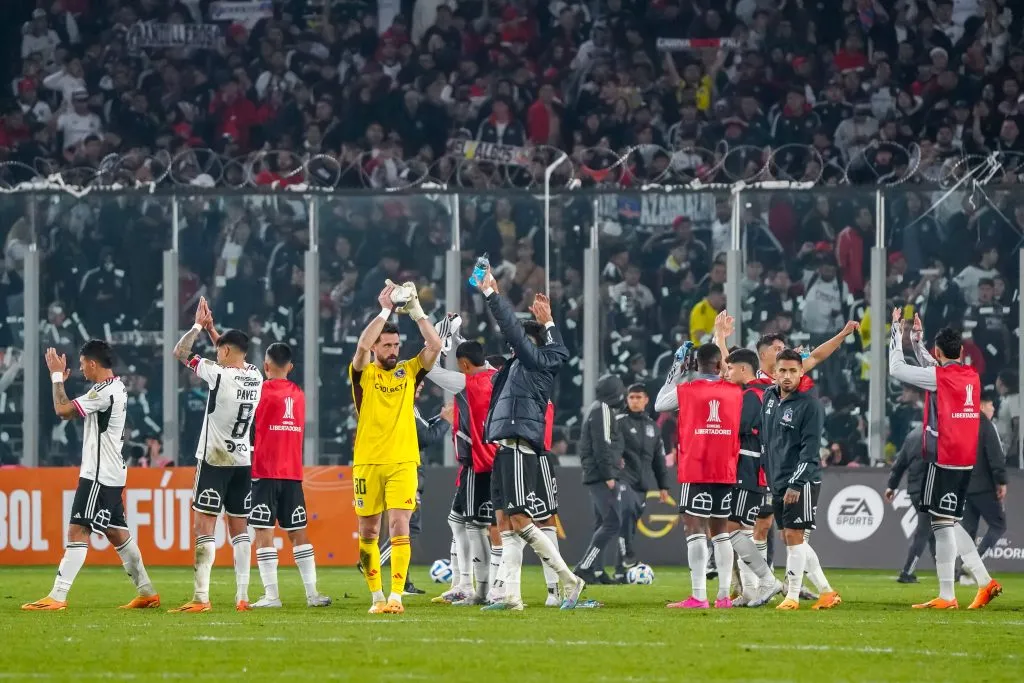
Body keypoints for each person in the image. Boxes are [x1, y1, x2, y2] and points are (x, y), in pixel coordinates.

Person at [475, 269, 586, 612]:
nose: (512, 345)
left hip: (520, 448)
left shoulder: (535, 364)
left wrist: (493, 294)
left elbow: (517, 332)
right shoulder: (521, 366)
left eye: (520, 342)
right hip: (503, 448)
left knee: (521, 521)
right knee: (506, 524)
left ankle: (569, 579)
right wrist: (550, 322)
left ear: (531, 346)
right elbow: (560, 350)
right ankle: (511, 596)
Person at [22, 341, 159, 611]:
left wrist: (56, 377)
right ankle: (147, 592)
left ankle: (57, 596)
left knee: (78, 528)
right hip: (112, 472)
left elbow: (62, 411)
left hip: (98, 475)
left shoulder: (104, 392)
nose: (81, 368)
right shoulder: (115, 387)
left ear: (93, 363)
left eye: (83, 363)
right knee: (116, 532)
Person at [888, 308, 1002, 609]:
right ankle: (972, 584)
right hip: (965, 460)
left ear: (939, 351)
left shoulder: (941, 377)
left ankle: (956, 592)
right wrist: (919, 340)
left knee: (942, 523)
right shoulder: (969, 375)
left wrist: (896, 332)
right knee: (946, 522)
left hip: (947, 459)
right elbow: (936, 368)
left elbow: (897, 369)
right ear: (962, 351)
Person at [349, 280, 442, 614]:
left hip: (403, 461)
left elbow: (435, 344)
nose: (392, 350)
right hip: (368, 462)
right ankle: (376, 596)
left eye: (395, 344)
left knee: (400, 526)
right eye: (386, 345)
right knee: (368, 530)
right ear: (376, 348)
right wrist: (386, 309)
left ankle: (396, 597)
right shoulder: (363, 375)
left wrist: (415, 310)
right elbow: (360, 347)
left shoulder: (409, 371)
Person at [169, 297, 264, 613]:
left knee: (204, 528)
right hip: (242, 460)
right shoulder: (255, 376)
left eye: (219, 350)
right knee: (239, 530)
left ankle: (201, 598)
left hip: (214, 460)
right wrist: (214, 332)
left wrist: (198, 325)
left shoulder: (217, 373)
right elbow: (229, 354)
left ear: (223, 353)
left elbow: (180, 353)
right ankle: (242, 597)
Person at [655, 343, 741, 609]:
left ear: (696, 364)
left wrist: (677, 367)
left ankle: (699, 596)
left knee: (694, 529)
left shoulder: (687, 390)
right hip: (726, 469)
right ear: (720, 365)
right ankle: (724, 596)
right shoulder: (736, 392)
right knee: (721, 531)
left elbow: (659, 404)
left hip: (696, 468)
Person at [248, 342, 331, 609]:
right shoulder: (299, 394)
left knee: (264, 532)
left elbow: (249, 427)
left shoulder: (259, 392)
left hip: (264, 472)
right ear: (291, 367)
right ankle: (312, 595)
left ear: (266, 365)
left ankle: (272, 596)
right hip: (293, 473)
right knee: (298, 533)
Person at [760, 348, 841, 610]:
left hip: (802, 482)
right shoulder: (769, 398)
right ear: (774, 373)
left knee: (795, 536)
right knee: (788, 537)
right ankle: (826, 591)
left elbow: (810, 450)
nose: (787, 376)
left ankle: (792, 596)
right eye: (782, 370)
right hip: (777, 480)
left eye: (793, 371)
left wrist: (796, 483)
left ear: (801, 373)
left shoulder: (809, 405)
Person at [425, 338, 500, 606]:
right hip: (501, 461)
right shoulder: (498, 377)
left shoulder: (466, 383)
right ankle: (470, 584)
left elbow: (429, 368)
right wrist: (455, 339)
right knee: (461, 521)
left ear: (464, 364)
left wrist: (437, 343)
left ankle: (481, 589)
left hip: (479, 465)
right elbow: (482, 361)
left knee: (476, 527)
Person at [721, 348, 785, 606]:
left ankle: (768, 581)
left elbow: (740, 427)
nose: (727, 374)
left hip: (747, 468)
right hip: (757, 469)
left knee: (732, 528)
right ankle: (750, 589)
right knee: (742, 530)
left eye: (731, 369)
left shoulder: (751, 395)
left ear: (744, 369)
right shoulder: (765, 392)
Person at [614, 383, 671, 581]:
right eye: (632, 398)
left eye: (639, 397)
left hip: (642, 484)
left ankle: (620, 570)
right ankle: (628, 556)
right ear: (626, 400)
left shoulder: (652, 427)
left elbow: (659, 459)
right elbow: (610, 449)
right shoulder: (618, 422)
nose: (635, 401)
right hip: (623, 479)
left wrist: (663, 486)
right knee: (627, 511)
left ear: (646, 400)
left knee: (629, 524)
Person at [574, 373, 627, 585]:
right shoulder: (603, 409)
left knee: (602, 523)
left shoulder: (595, 408)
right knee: (613, 522)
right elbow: (602, 445)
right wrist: (609, 474)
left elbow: (603, 445)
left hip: (597, 474)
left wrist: (616, 459)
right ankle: (584, 567)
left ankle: (597, 571)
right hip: (601, 476)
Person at [958, 393, 1008, 586]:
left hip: (965, 485)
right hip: (984, 485)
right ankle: (973, 564)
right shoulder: (986, 425)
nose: (993, 409)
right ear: (982, 405)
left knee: (969, 530)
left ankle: (962, 574)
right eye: (991, 405)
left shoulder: (962, 423)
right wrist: (1001, 481)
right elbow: (995, 456)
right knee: (998, 525)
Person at [885, 426, 934, 584]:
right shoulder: (937, 435)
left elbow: (900, 463)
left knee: (933, 531)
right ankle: (907, 571)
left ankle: (946, 571)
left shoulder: (913, 434)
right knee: (924, 531)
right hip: (930, 489)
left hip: (914, 490)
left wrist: (892, 486)